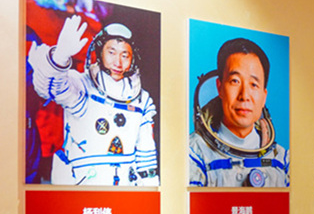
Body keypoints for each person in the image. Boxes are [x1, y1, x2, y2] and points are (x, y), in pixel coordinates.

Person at [27, 15, 159, 186]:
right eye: (111, 52)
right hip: (84, 186)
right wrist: (59, 58)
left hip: (126, 187)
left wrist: (150, 188)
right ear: (100, 53)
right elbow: (49, 89)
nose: (118, 62)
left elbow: (146, 154)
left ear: (133, 59)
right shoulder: (83, 87)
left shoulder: (141, 99)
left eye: (125, 55)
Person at [189, 37, 289, 187]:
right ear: (219, 87)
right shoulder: (195, 153)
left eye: (254, 84)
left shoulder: (282, 160)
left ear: (264, 97)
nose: (244, 96)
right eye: (235, 81)